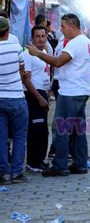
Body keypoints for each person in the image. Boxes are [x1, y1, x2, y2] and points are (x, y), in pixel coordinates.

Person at [28, 13, 90, 177]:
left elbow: (58, 62)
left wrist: (37, 53)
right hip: (81, 91)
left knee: (61, 129)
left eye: (63, 26)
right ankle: (80, 164)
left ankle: (60, 165)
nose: (61, 29)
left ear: (72, 26)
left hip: (70, 93)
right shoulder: (86, 42)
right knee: (78, 129)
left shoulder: (75, 43)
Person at [0, 16, 29, 184]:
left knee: (2, 137)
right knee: (19, 135)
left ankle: (4, 173)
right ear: (8, 31)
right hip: (17, 97)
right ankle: (17, 172)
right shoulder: (16, 47)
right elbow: (22, 71)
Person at [23, 26, 50, 171]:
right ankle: (33, 162)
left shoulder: (43, 52)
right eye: (37, 36)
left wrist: (48, 93)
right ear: (32, 38)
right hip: (33, 95)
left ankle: (40, 160)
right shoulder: (28, 54)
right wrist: (39, 97)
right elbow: (26, 79)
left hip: (43, 94)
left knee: (43, 130)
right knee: (35, 130)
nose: (40, 39)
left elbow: (45, 74)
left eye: (43, 36)